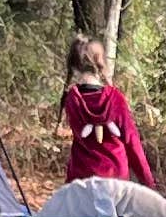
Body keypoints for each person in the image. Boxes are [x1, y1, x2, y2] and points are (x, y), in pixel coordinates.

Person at [62, 34, 155, 195]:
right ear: (101, 62)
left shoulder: (72, 99)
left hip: (81, 180)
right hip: (115, 180)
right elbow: (132, 143)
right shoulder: (115, 98)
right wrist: (149, 185)